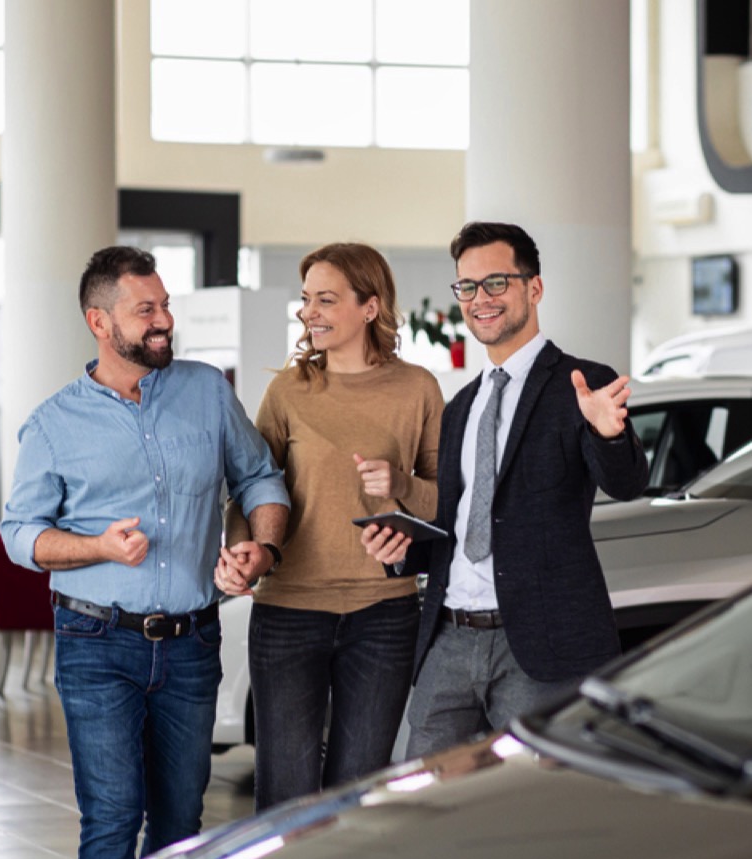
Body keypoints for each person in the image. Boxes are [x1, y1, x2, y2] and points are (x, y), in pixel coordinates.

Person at [0, 246, 289, 859]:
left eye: (164, 306)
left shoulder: (206, 391)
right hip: (98, 644)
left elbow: (259, 478)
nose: (164, 321)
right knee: (112, 816)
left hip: (193, 643)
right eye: (146, 310)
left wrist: (261, 549)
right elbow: (21, 534)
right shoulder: (53, 424)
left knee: (182, 824)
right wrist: (97, 547)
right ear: (100, 323)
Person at [361, 221, 649, 758]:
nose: (479, 300)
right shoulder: (462, 406)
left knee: (537, 809)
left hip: (539, 648)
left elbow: (628, 483)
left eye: (496, 283)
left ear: (533, 289)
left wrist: (607, 433)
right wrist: (402, 552)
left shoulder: (580, 384)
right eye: (467, 287)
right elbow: (462, 524)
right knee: (426, 803)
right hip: (448, 638)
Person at [217, 243, 442, 811]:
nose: (308, 312)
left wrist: (401, 484)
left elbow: (444, 503)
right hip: (290, 612)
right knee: (286, 792)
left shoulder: (418, 388)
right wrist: (242, 549)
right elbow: (250, 487)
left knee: (359, 795)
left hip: (386, 615)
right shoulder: (288, 392)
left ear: (370, 307)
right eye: (305, 299)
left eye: (325, 299)